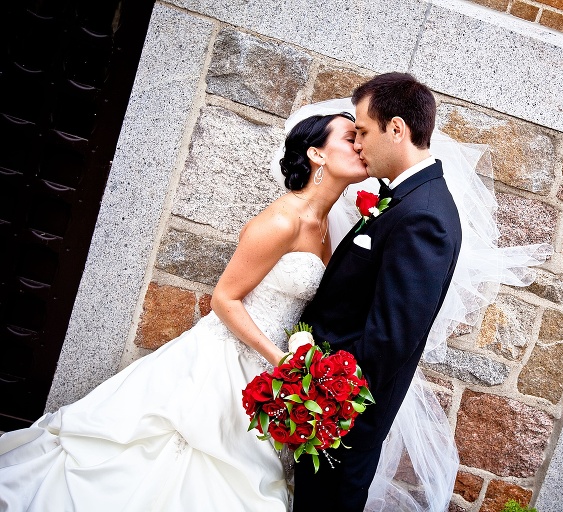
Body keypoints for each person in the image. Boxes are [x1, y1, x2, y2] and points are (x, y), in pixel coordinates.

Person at [0, 111, 369, 511]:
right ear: (317, 153)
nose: (361, 145)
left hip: (270, 370)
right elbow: (224, 299)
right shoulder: (283, 220)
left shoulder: (328, 224)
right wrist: (282, 362)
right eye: (351, 138)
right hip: (226, 362)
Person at [292, 72, 463, 512]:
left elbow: (389, 339)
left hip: (345, 419)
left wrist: (323, 402)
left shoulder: (426, 215)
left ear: (397, 129)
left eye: (363, 131)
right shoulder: (405, 199)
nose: (359, 143)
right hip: (331, 405)